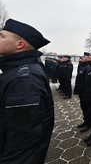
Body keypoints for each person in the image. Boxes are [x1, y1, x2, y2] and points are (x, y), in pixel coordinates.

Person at [0, 19, 54, 163]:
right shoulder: (18, 71)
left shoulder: (24, 78)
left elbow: (22, 139)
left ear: (20, 44)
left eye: (2, 36)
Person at [74, 52, 91, 129]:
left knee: (87, 109)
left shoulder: (87, 67)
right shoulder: (82, 66)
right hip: (81, 91)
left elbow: (86, 82)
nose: (82, 58)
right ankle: (85, 121)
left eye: (84, 57)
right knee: (83, 107)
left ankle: (88, 123)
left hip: (85, 92)